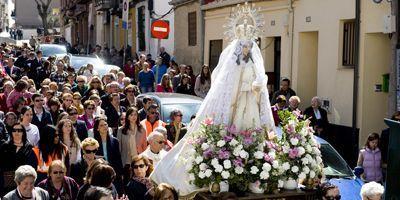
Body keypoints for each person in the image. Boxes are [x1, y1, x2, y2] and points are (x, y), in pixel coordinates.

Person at [151, 19, 275, 195]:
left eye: (249, 45)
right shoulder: (233, 63)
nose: (246, 48)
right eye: (243, 45)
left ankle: (253, 176)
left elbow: (261, 82)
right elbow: (223, 83)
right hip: (234, 102)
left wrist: (257, 86)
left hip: (250, 103)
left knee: (251, 134)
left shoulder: (255, 63)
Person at [0, 123, 37, 196]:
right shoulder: (5, 147)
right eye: (14, 130)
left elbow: (33, 167)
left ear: (23, 133)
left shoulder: (29, 148)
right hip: (6, 183)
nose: (16, 132)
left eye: (19, 130)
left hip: (24, 183)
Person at [93, 116, 123, 192]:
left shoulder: (115, 141)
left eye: (105, 124)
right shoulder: (94, 142)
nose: (104, 127)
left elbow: (118, 159)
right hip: (100, 172)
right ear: (97, 128)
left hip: (113, 173)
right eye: (101, 125)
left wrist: (120, 174)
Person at [116, 107, 147, 182]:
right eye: (131, 115)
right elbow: (119, 147)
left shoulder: (142, 129)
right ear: (128, 117)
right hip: (126, 161)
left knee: (139, 182)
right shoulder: (121, 130)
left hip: (139, 161)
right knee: (127, 183)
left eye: (135, 115)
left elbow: (144, 146)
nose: (133, 117)